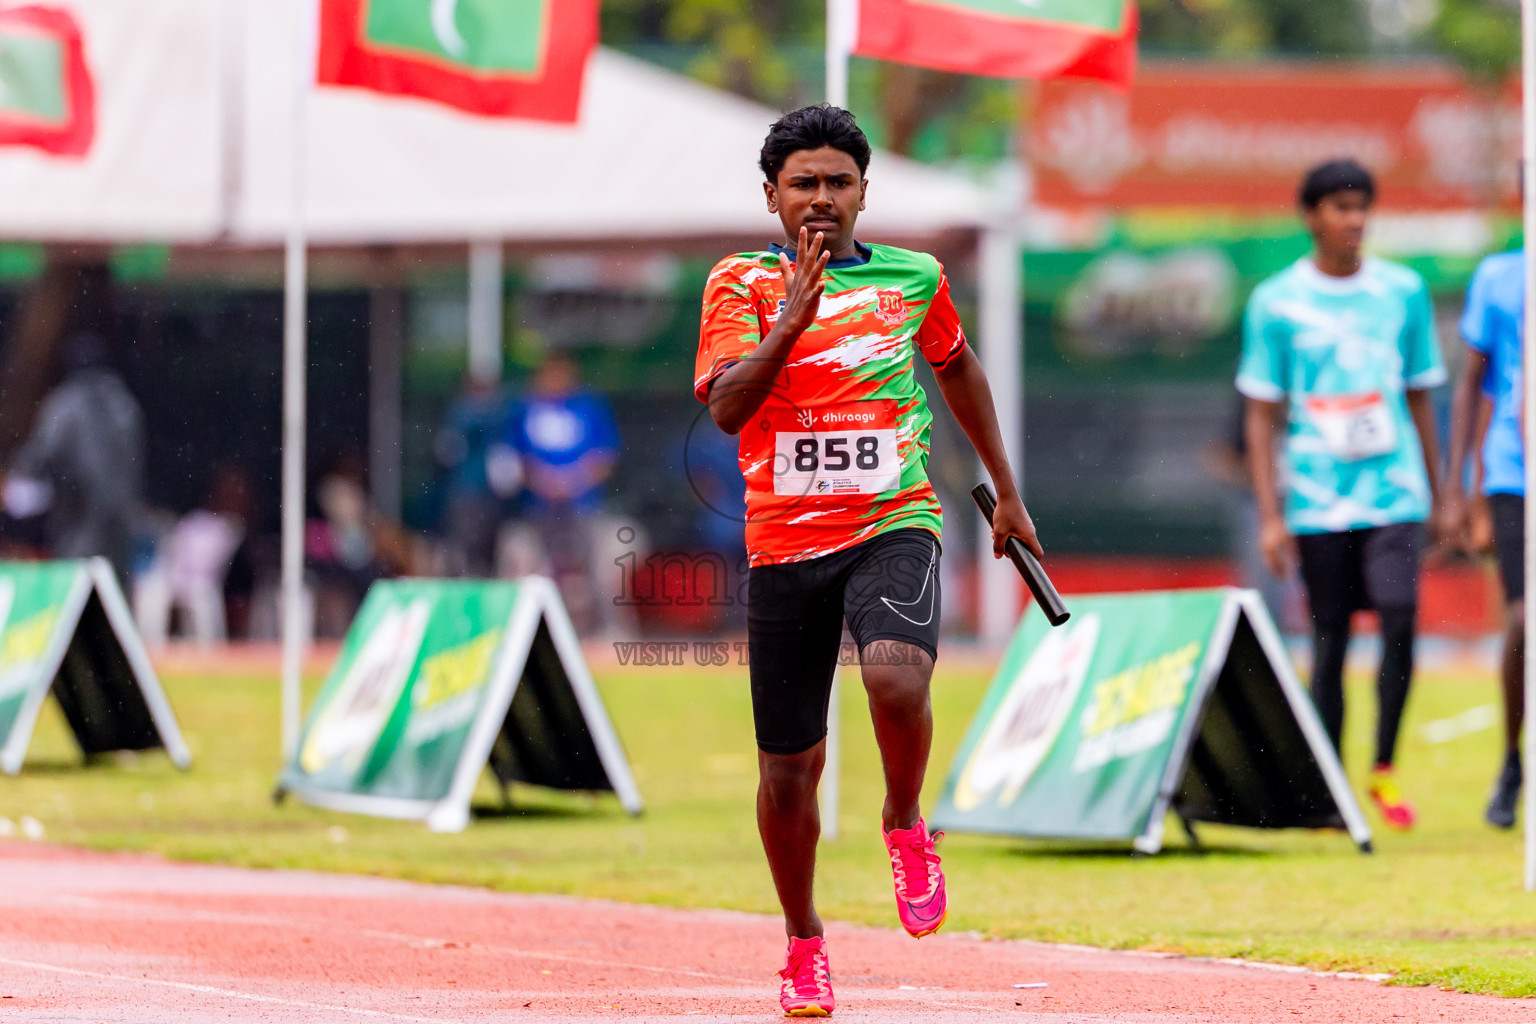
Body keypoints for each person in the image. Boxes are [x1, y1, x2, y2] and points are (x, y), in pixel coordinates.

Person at [694, 105, 1039, 1017]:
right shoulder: (739, 283)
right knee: (787, 772)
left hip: (894, 520)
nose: (821, 198)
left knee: (894, 678)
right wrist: (792, 319)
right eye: (803, 183)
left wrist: (1006, 490)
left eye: (838, 183)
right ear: (771, 196)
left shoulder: (913, 277)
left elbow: (957, 367)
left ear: (862, 193)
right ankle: (804, 940)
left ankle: (903, 819)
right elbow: (727, 410)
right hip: (784, 546)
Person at [1238, 159, 1445, 832]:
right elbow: (1261, 414)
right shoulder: (1275, 302)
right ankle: (1326, 788)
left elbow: (1420, 394)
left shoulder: (1402, 291)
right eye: (1340, 208)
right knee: (1330, 639)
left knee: (1400, 614)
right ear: (1312, 216)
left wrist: (1440, 492)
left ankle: (1383, 767)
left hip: (1395, 491)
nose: (1354, 220)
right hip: (1317, 496)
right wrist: (1271, 516)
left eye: (1362, 207)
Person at [1442, 246, 1525, 828]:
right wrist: (1461, 488)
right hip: (1513, 472)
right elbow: (1473, 381)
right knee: (1524, 617)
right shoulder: (1500, 276)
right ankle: (1513, 760)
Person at [4, 331, 145, 583]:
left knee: (75, 579)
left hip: (79, 513)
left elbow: (44, 450)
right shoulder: (125, 403)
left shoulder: (68, 402)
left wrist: (22, 472)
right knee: (112, 583)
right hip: (120, 514)